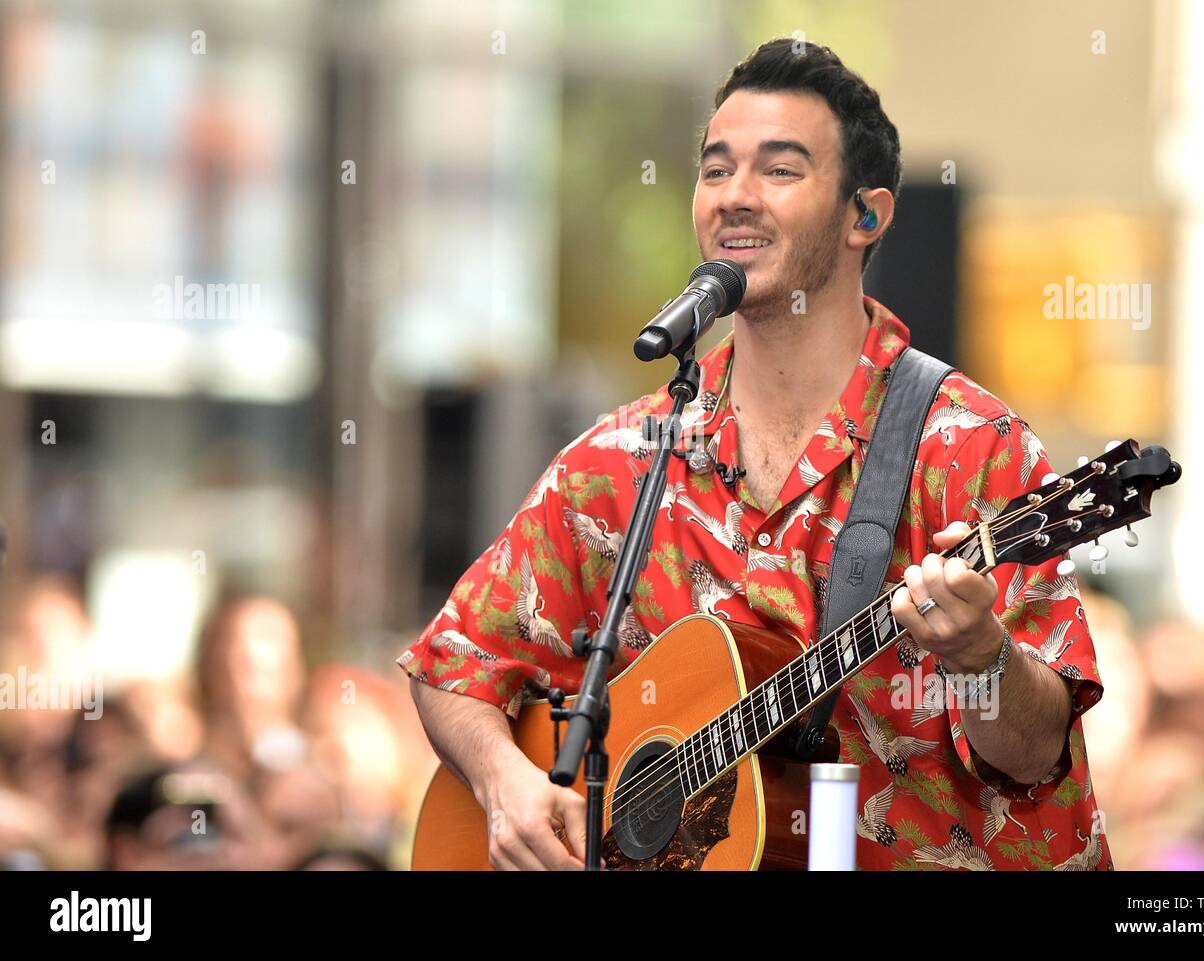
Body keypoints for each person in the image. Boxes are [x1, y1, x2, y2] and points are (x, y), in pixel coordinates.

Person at [400, 38, 1111, 871]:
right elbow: (453, 665)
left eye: (779, 170)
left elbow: (1031, 753)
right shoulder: (628, 457)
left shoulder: (969, 451)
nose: (734, 197)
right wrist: (505, 785)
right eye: (715, 169)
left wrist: (980, 655)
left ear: (866, 215)